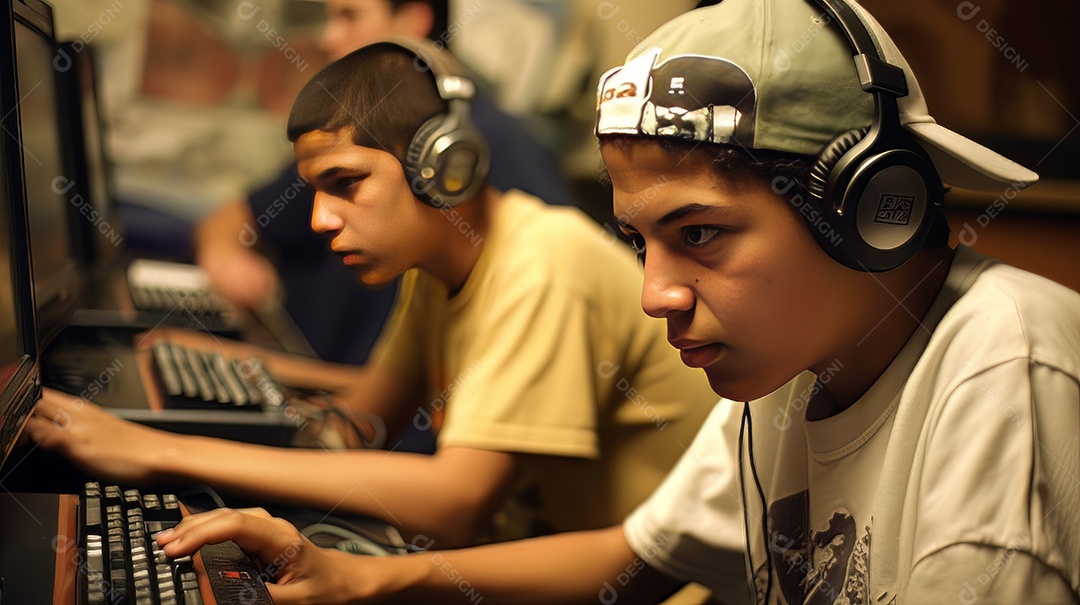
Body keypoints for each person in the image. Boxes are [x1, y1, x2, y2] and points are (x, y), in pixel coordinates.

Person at [116, 0, 1080, 603]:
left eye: (700, 234)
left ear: (876, 208)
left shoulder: (1002, 363)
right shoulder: (790, 370)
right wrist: (365, 577)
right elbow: (635, 554)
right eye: (642, 241)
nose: (658, 293)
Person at [28, 38, 716, 555]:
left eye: (346, 182)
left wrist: (155, 449)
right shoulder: (437, 266)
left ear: (444, 166)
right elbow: (365, 415)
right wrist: (235, 394)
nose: (321, 218)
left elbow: (457, 501)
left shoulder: (544, 265)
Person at [195, 0, 573, 365]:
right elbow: (233, 218)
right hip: (316, 369)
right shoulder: (350, 138)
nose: (328, 37)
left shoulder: (496, 156)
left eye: (350, 15)